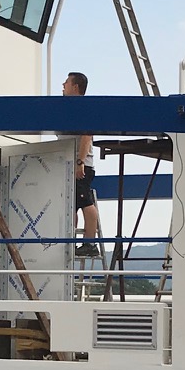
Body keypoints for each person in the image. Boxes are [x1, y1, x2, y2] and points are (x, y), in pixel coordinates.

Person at [62, 71, 102, 258]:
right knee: (73, 205)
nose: (63, 85)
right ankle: (71, 241)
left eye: (67, 82)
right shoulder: (69, 109)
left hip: (81, 166)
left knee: (85, 201)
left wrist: (80, 162)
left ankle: (90, 243)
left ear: (75, 87)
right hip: (71, 165)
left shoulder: (83, 108)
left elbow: (87, 135)